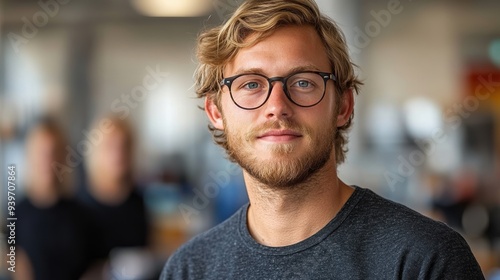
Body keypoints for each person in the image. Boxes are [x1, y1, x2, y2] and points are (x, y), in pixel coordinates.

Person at [161, 0, 484, 279]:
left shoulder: (424, 260)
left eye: (303, 82)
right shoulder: (189, 269)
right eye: (250, 84)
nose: (277, 107)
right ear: (216, 111)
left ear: (343, 106)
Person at [16, 118, 92, 280]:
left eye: (53, 152)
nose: (47, 160)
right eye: (41, 153)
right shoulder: (16, 212)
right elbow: (10, 262)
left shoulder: (81, 214)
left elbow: (94, 267)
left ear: (64, 156)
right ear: (29, 157)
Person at [79, 116, 149, 264]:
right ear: (95, 152)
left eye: (124, 146)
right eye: (110, 146)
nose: (119, 154)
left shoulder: (138, 202)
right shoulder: (79, 207)